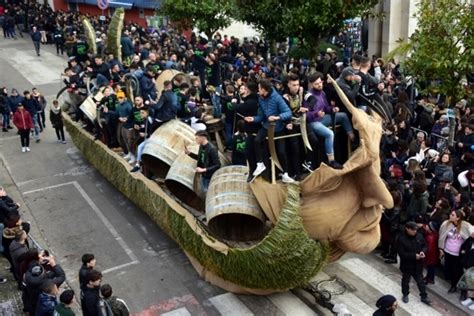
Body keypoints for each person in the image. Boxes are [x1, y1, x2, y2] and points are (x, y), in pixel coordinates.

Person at [244, 79, 294, 183]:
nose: (258, 90)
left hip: (278, 128)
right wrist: (253, 119)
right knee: (257, 140)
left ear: (264, 90)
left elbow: (288, 113)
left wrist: (277, 117)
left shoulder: (277, 98)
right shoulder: (260, 99)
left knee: (281, 152)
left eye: (259, 88)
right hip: (267, 127)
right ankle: (260, 164)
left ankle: (285, 174)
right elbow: (262, 116)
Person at [303, 72, 354, 169]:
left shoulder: (322, 93)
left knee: (343, 116)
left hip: (323, 118)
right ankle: (331, 160)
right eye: (316, 84)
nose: (319, 85)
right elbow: (307, 115)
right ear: (312, 85)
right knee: (330, 133)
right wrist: (316, 114)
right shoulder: (308, 96)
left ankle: (353, 138)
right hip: (314, 122)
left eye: (320, 83)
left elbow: (326, 108)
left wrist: (332, 109)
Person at [397, 221, 431, 305]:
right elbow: (401, 253)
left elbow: (425, 246)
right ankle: (405, 294)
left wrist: (423, 252)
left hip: (418, 265)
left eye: (415, 230)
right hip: (407, 265)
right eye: (412, 230)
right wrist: (414, 256)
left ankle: (424, 296)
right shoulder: (401, 239)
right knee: (405, 281)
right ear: (407, 229)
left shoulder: (419, 236)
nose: (414, 231)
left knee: (420, 282)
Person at [438, 210, 472, 293]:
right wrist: (441, 248)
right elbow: (442, 236)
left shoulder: (465, 226)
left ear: (458, 217)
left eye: (452, 215)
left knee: (457, 271)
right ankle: (453, 284)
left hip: (457, 254)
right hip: (447, 251)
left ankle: (456, 287)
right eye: (451, 214)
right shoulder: (446, 224)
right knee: (448, 269)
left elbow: (469, 237)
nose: (450, 216)